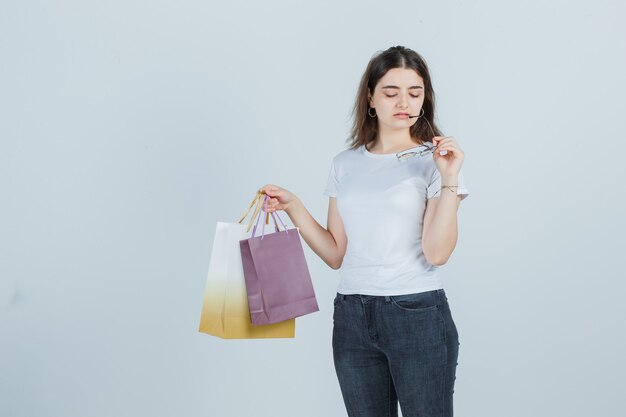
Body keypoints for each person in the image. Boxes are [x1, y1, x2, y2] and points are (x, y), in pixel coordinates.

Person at [258, 45, 470, 417]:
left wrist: (450, 177)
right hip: (352, 314)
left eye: (414, 93)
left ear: (425, 99)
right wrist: (293, 206)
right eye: (391, 92)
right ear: (371, 97)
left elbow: (437, 253)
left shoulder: (436, 162)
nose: (403, 102)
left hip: (416, 313)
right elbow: (336, 253)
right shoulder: (346, 164)